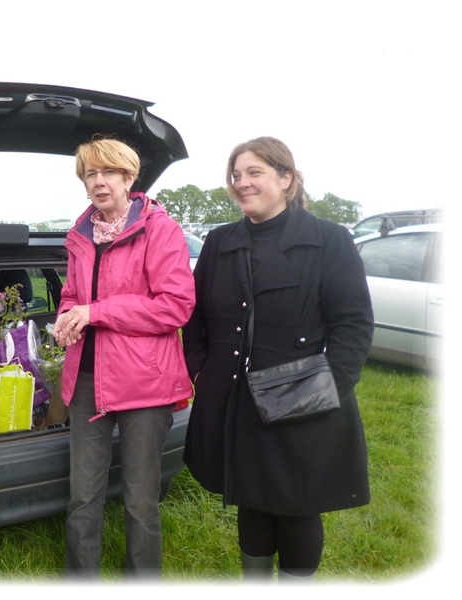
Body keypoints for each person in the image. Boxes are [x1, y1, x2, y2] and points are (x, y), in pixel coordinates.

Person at [181, 136, 374, 582]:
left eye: (254, 173)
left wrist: (324, 390)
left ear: (286, 179)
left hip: (301, 396)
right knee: (250, 496)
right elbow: (194, 321)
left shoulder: (329, 240)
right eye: (236, 175)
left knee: (296, 503)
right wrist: (202, 370)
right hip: (235, 398)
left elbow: (354, 327)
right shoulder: (219, 241)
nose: (242, 183)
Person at [52, 137, 195, 579]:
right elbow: (74, 294)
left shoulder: (160, 229)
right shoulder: (79, 234)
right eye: (90, 174)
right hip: (86, 380)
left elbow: (175, 305)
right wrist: (65, 317)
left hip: (144, 385)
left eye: (108, 172)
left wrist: (95, 313)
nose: (99, 182)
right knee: (82, 498)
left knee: (139, 500)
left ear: (129, 177)